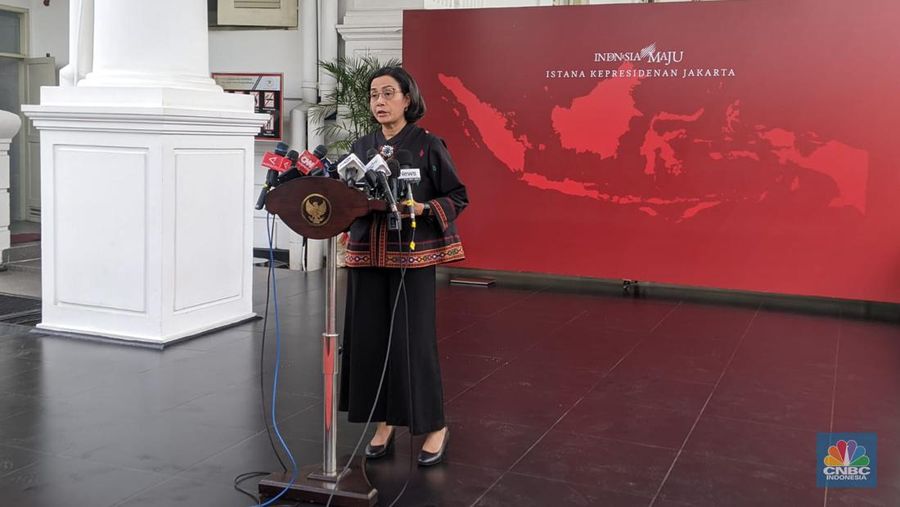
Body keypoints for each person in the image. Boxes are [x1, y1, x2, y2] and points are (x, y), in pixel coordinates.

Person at [338, 66, 468, 466]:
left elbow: (457, 196)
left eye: (388, 93)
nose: (379, 102)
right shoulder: (362, 146)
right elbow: (347, 193)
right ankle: (383, 423)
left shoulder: (427, 145)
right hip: (366, 256)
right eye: (374, 95)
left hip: (412, 259)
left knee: (413, 343)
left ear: (407, 99)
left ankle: (434, 425)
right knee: (369, 341)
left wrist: (424, 208)